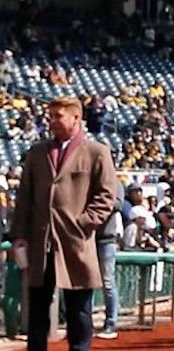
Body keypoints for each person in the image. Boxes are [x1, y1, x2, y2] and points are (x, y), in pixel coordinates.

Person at [12, 97, 118, 351]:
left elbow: (106, 197)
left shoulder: (97, 152)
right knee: (37, 312)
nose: (52, 122)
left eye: (58, 116)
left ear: (76, 118)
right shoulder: (37, 153)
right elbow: (25, 197)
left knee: (79, 311)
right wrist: (20, 235)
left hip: (76, 244)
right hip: (41, 244)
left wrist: (82, 224)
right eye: (50, 117)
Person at [95, 179, 124, 339]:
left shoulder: (115, 182)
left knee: (107, 281)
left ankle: (111, 322)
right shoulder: (89, 179)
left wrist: (96, 203)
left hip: (107, 237)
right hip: (88, 237)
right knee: (88, 281)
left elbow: (117, 204)